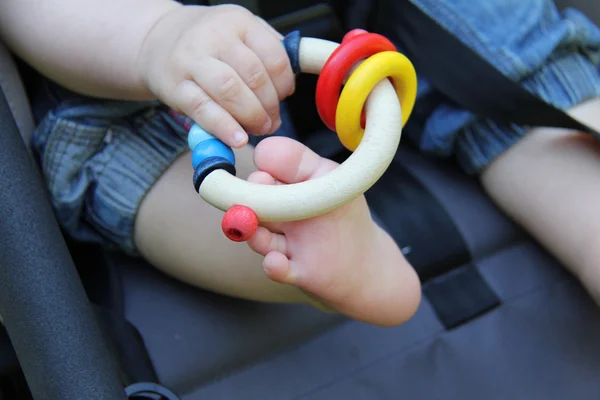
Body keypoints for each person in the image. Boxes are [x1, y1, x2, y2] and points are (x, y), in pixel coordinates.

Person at [0, 0, 598, 327]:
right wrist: (158, 33)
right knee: (186, 176)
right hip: (122, 58)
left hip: (370, 29)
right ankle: (321, 244)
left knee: (503, 33)